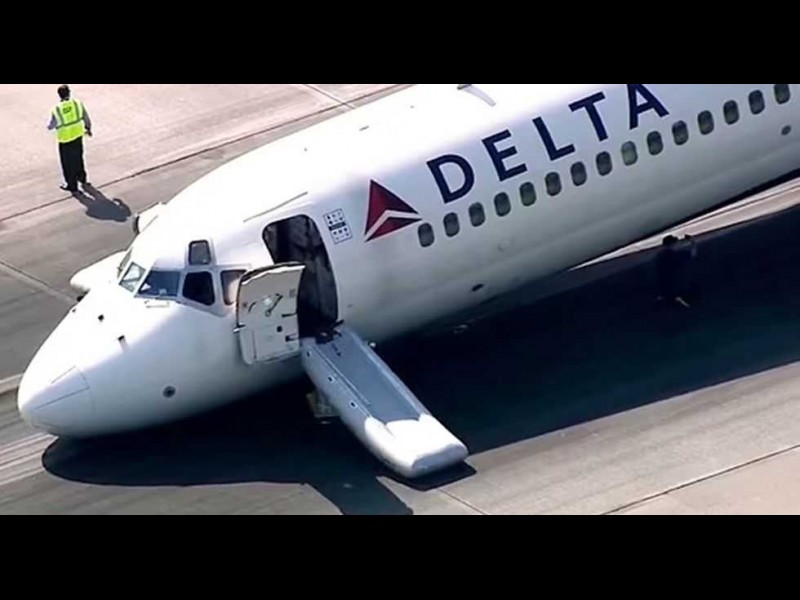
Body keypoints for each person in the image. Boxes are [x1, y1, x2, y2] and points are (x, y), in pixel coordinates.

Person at [47, 84, 92, 193]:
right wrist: (88, 128)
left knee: (68, 164)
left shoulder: (57, 109)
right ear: (69, 93)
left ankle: (72, 185)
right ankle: (82, 178)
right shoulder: (77, 104)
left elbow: (51, 126)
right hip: (78, 135)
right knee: (78, 158)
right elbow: (86, 117)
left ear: (59, 95)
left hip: (65, 139)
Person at [655, 235, 691, 308]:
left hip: (664, 280)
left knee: (667, 291)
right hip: (674, 280)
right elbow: (691, 254)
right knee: (674, 291)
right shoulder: (675, 254)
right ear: (672, 244)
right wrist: (692, 242)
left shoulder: (660, 255)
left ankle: (663, 300)